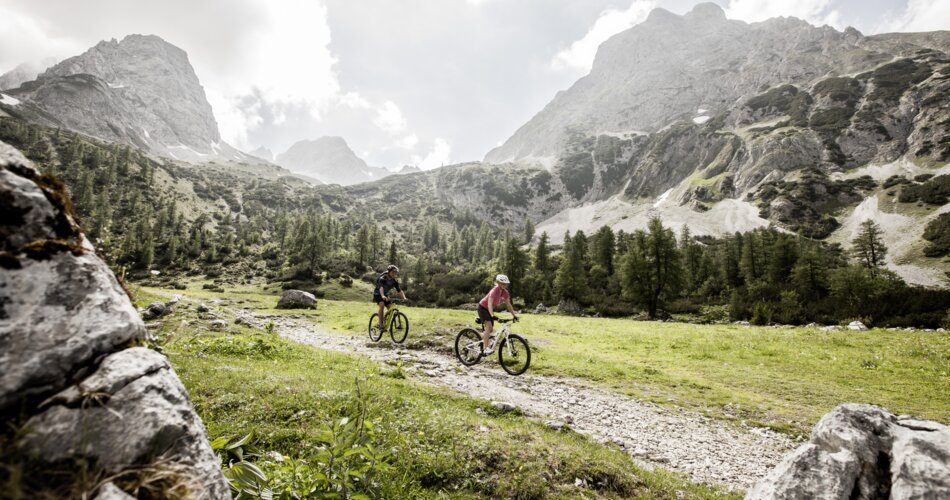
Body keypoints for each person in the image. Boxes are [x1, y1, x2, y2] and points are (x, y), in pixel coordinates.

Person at [476, 274, 518, 354]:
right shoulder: (494, 291)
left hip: (489, 310)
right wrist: (492, 315)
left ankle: (483, 341)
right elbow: (489, 304)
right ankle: (485, 348)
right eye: (502, 283)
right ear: (498, 283)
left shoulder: (505, 293)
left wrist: (514, 315)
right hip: (482, 308)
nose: (504, 285)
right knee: (489, 326)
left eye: (505, 284)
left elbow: (508, 305)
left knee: (491, 329)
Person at [374, 264, 407, 333]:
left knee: (391, 308)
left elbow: (399, 290)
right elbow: (381, 288)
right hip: (378, 294)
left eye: (395, 272)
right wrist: (382, 295)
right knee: (382, 305)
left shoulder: (394, 281)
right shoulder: (383, 278)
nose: (394, 273)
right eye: (393, 272)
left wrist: (404, 297)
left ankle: (385, 320)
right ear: (389, 272)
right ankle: (380, 324)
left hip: (385, 295)